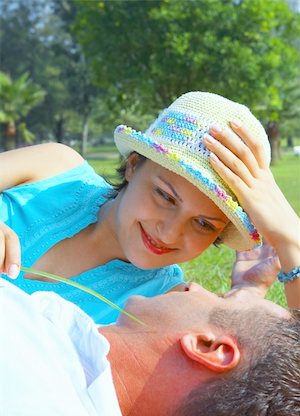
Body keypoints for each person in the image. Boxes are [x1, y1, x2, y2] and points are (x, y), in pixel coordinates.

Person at [0, 92, 299, 324]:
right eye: (165, 196)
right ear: (133, 166)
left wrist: (290, 239)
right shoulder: (53, 168)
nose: (169, 234)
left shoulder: (161, 303)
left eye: (204, 224)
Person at [0, 278, 299, 416]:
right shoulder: (67, 361)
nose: (193, 285)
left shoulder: (59, 413)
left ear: (209, 347)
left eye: (220, 298)